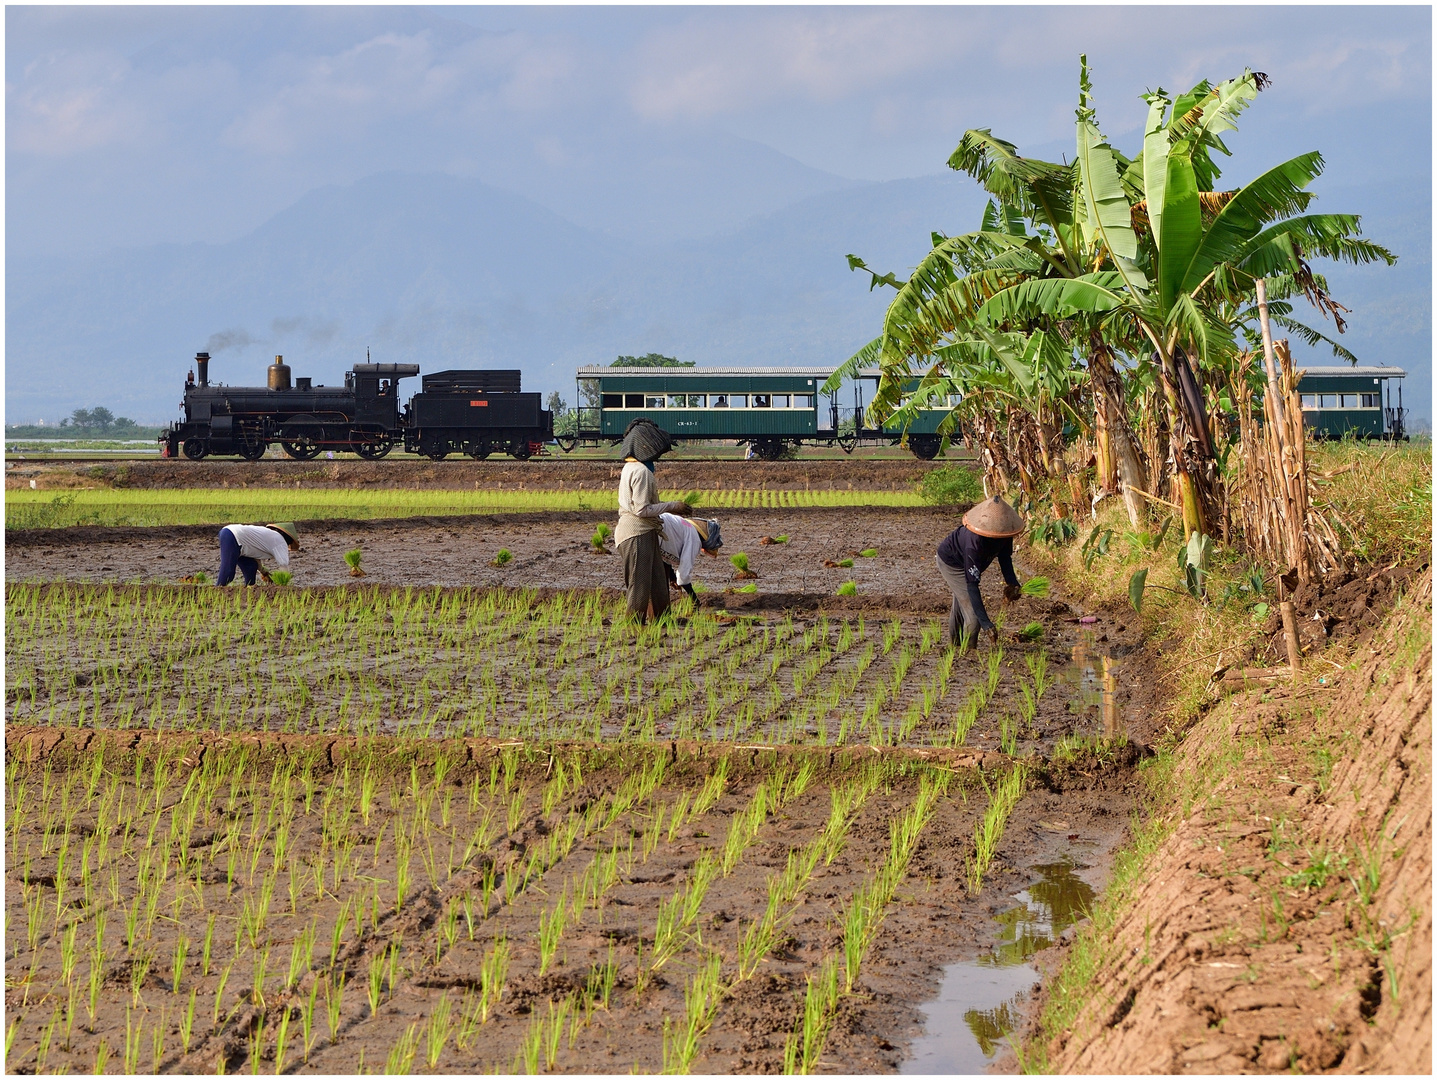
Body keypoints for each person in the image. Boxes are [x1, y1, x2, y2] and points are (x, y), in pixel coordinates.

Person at [615, 419, 689, 621]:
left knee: (657, 580)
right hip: (636, 533)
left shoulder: (629, 468)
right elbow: (641, 509)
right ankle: (634, 625)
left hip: (645, 532)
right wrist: (673, 506)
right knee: (639, 584)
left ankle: (663, 620)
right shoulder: (641, 472)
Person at [935, 496, 1024, 648]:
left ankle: (955, 647)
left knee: (960, 605)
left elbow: (1005, 557)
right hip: (952, 563)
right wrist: (986, 623)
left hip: (966, 562)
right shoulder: (974, 543)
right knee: (973, 615)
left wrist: (1012, 583)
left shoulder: (1004, 533)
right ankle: (969, 654)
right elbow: (972, 586)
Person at [658, 513, 723, 600]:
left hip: (654, 519)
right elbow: (684, 574)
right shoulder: (694, 539)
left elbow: (665, 553)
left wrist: (672, 577)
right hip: (656, 527)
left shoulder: (683, 524)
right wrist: (694, 599)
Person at [216, 521, 300, 586]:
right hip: (233, 536)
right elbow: (283, 565)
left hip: (233, 536)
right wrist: (284, 584)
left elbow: (255, 557)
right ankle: (216, 592)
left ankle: (250, 590)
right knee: (228, 574)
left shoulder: (269, 537)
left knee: (251, 566)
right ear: (289, 540)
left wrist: (264, 572)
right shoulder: (280, 541)